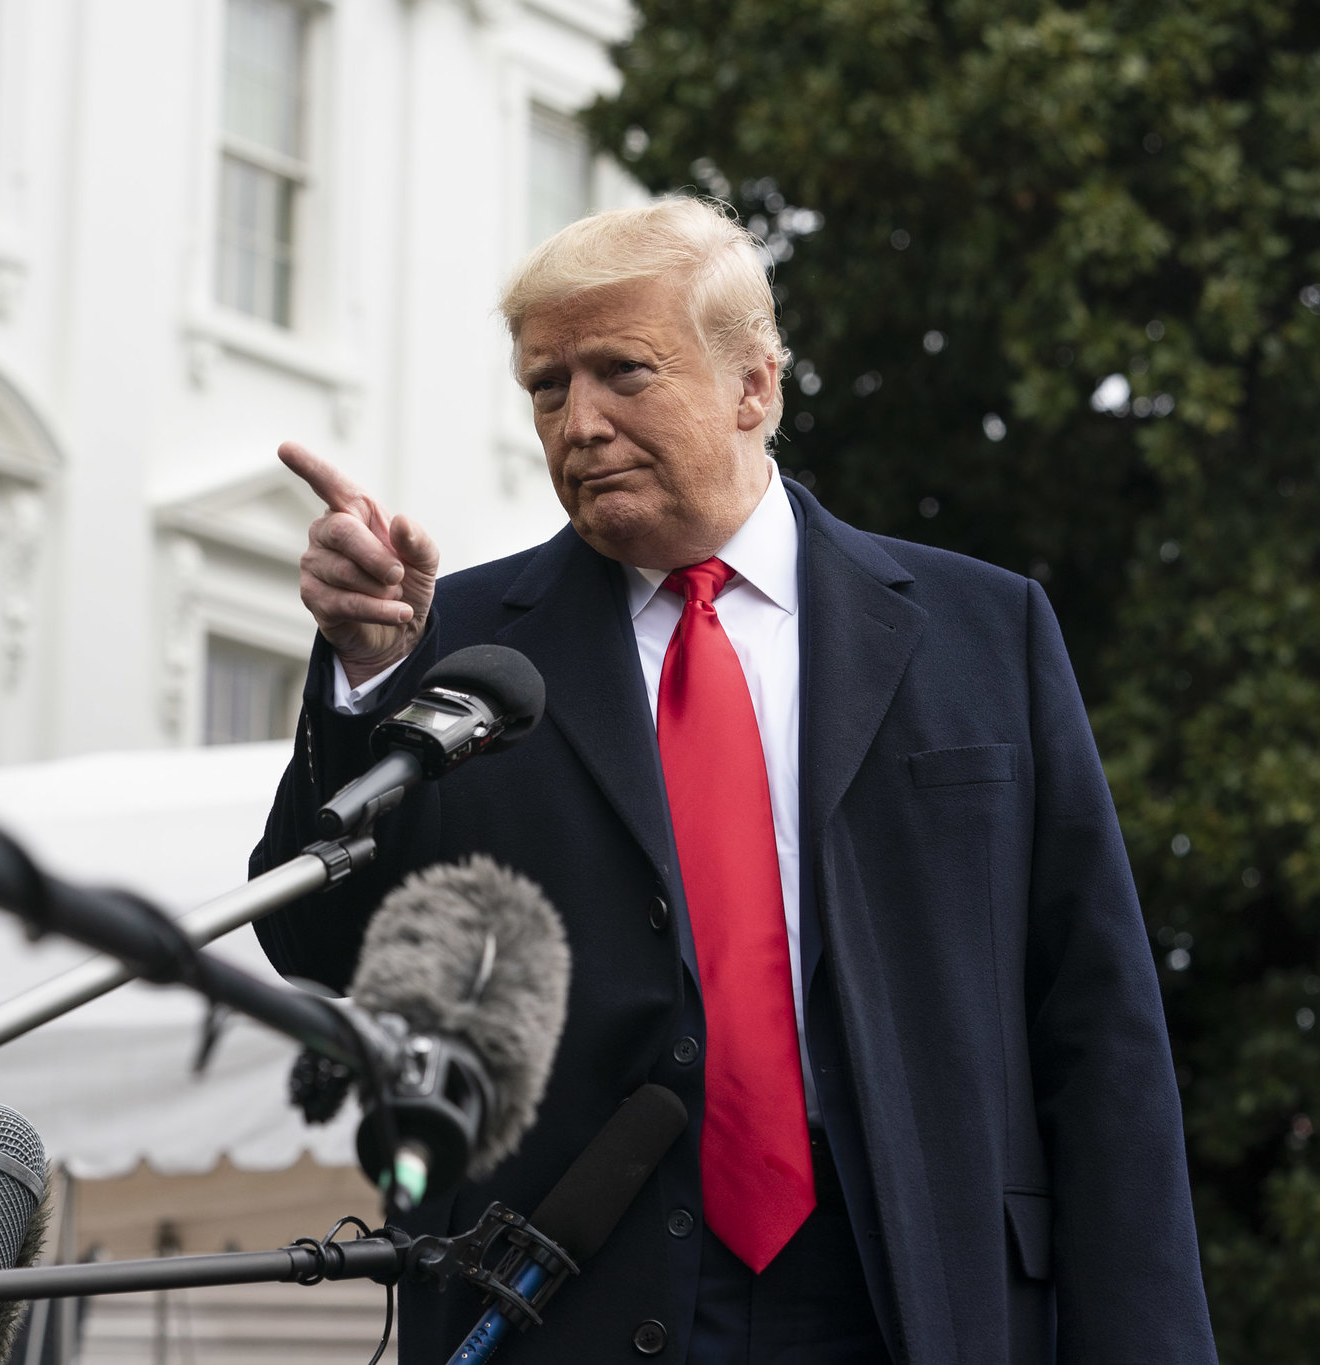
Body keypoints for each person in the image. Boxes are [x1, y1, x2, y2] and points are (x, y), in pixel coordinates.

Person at [251, 198, 1216, 1365]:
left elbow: (1094, 1023)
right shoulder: (453, 647)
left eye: (622, 372)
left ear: (753, 387)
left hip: (914, 1285)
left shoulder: (982, 632)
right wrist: (366, 678)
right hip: (568, 1298)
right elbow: (324, 946)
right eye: (547, 388)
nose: (581, 422)